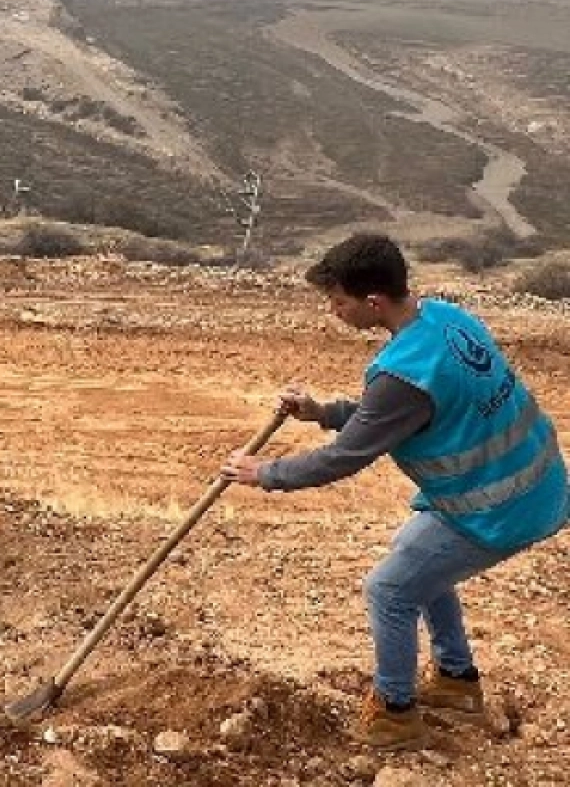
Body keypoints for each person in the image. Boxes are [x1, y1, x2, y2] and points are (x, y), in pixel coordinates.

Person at [222, 233, 568, 752]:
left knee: (390, 589)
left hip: (499, 506)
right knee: (415, 557)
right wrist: (324, 412)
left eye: (337, 301)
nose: (333, 312)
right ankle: (456, 681)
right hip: (533, 481)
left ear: (373, 302)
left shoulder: (403, 374)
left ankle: (395, 712)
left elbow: (346, 456)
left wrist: (265, 473)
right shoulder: (448, 320)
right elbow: (396, 417)